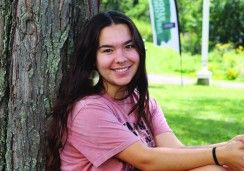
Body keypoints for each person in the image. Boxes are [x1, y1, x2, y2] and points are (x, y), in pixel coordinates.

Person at [46, 11, 244, 171]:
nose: (121, 58)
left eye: (128, 46)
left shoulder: (144, 102)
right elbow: (146, 160)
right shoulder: (87, 110)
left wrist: (231, 149)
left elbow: (175, 151)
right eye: (108, 50)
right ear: (92, 59)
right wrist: (222, 152)